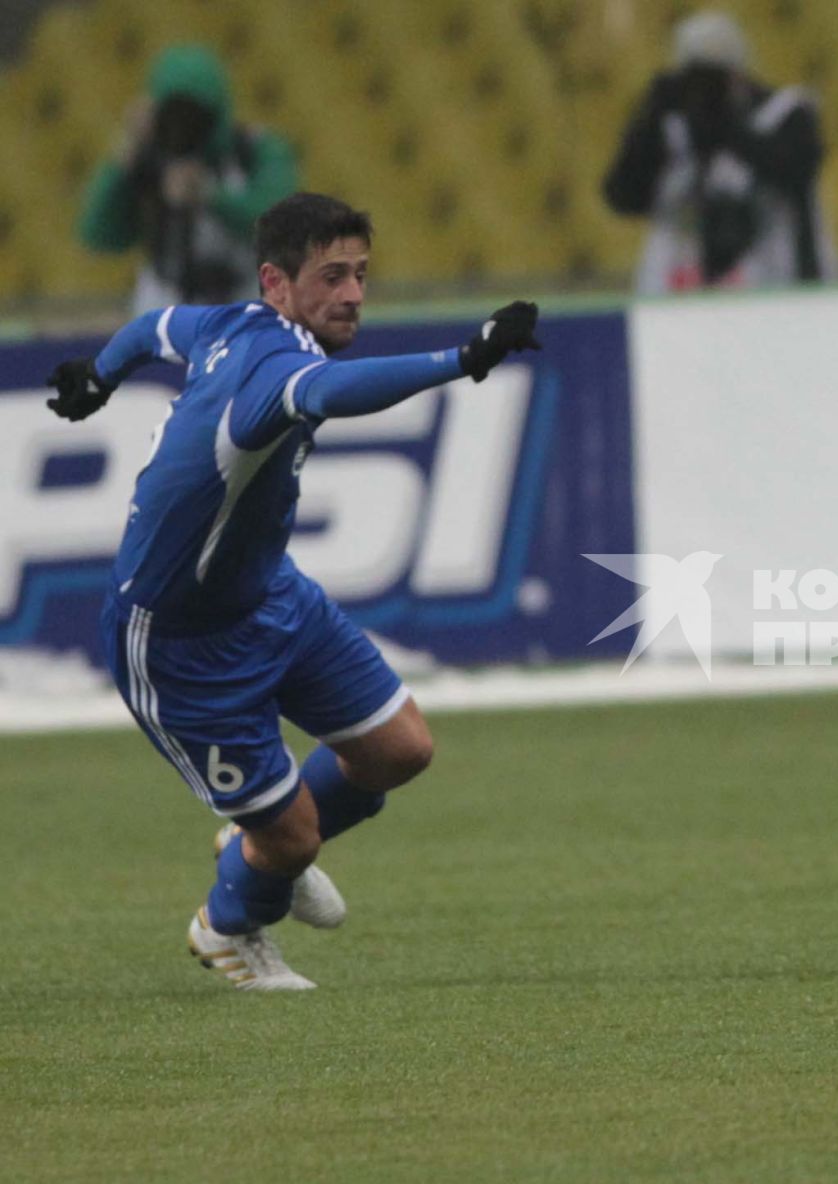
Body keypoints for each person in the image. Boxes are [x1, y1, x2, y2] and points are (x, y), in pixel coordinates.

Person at [44, 193, 541, 991]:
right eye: (332, 276)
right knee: (296, 838)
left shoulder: (228, 324)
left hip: (270, 595)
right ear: (277, 283)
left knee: (399, 751)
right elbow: (335, 393)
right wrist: (464, 358)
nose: (352, 294)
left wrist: (101, 376)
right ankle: (227, 927)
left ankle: (259, 843)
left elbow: (150, 329)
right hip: (178, 641)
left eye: (362, 275)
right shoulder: (276, 370)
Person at [602, 9, 836, 295]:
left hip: (773, 284)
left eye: (713, 79)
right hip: (679, 287)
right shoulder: (671, 125)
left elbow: (795, 171)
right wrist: (651, 119)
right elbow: (622, 196)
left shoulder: (784, 114)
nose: (705, 91)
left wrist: (727, 128)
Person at [77, 43, 299, 314]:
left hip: (246, 295)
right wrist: (125, 160)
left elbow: (280, 227)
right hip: (165, 298)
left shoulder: (252, 150)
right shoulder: (147, 159)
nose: (184, 128)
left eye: (195, 115)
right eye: (173, 115)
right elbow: (99, 234)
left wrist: (210, 195)